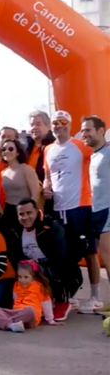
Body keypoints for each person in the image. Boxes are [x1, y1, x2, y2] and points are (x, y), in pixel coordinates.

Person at [43, 110, 100, 313]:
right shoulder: (48, 149)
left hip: (81, 205)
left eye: (63, 122)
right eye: (55, 122)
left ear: (69, 124)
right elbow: (47, 176)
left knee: (90, 251)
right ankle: (71, 293)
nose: (59, 125)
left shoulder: (80, 145)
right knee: (64, 254)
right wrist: (45, 188)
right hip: (59, 208)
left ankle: (96, 296)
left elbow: (100, 153)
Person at [3, 198, 75, 321]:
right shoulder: (14, 229)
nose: (25, 217)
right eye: (21, 214)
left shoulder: (51, 226)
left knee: (53, 271)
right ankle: (30, 302)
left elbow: (61, 256)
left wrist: (39, 264)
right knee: (14, 277)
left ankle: (61, 301)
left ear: (37, 211)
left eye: (29, 213)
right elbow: (13, 255)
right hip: (27, 268)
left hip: (51, 267)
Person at [80, 115, 110, 315]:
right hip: (97, 210)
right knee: (106, 259)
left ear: (101, 130)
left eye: (88, 129)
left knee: (109, 256)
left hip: (108, 210)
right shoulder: (94, 155)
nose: (85, 134)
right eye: (83, 130)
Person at [0, 259, 59, 332]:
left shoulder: (39, 287)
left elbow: (46, 303)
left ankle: (4, 323)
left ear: (33, 277)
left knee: (30, 310)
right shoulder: (16, 285)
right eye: (20, 277)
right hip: (16, 313)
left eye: (26, 277)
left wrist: (50, 320)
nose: (22, 280)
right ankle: (11, 325)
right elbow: (15, 300)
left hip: (30, 317)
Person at [0, 139, 41, 233]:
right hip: (9, 211)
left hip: (25, 211)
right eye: (3, 149)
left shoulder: (26, 169)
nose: (6, 151)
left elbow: (36, 193)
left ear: (17, 152)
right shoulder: (3, 172)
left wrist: (30, 212)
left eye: (10, 149)